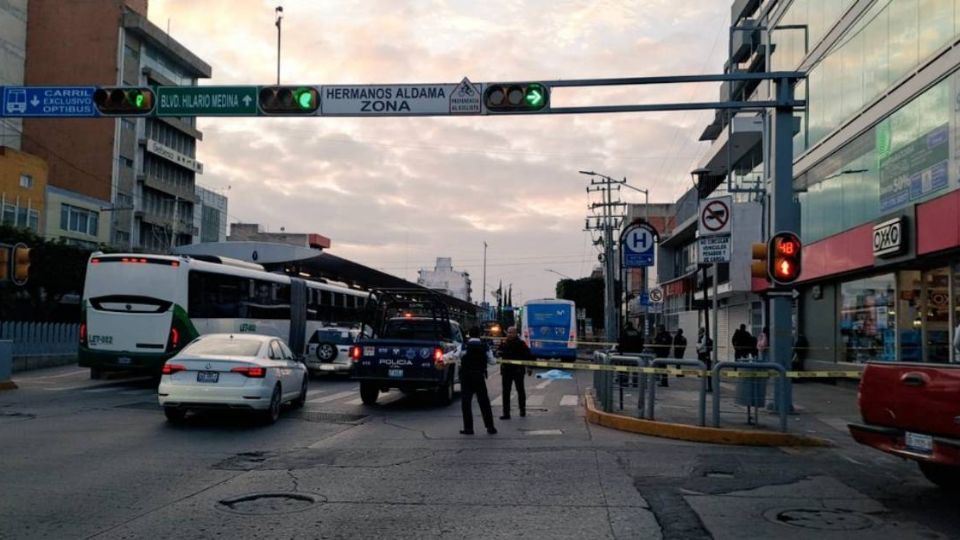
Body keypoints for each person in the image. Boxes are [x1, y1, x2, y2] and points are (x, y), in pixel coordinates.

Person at [459, 328, 497, 435]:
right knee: (484, 402)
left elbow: (452, 355)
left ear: (469, 335)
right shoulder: (485, 346)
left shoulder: (464, 346)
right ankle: (490, 427)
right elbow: (493, 362)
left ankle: (468, 428)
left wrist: (442, 359)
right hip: (479, 377)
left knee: (466, 403)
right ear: (479, 335)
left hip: (466, 377)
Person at [497, 326, 533, 419]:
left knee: (520, 390)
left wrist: (529, 367)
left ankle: (522, 409)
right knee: (505, 392)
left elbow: (528, 355)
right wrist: (498, 353)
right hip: (506, 371)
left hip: (518, 371)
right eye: (508, 332)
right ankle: (506, 413)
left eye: (511, 332)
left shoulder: (521, 343)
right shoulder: (504, 343)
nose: (509, 334)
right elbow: (499, 353)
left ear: (516, 333)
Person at [697, 328, 714, 392]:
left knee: (703, 363)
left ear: (702, 331)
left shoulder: (704, 337)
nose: (699, 331)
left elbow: (702, 344)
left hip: (703, 353)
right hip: (701, 352)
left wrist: (698, 347)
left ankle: (703, 372)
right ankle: (701, 372)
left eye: (700, 331)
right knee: (701, 362)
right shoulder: (700, 337)